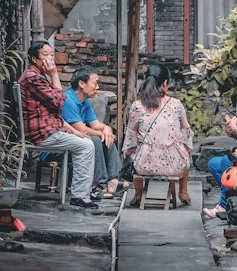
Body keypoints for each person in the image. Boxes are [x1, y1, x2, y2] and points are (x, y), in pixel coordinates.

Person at [18, 39, 98, 212]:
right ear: (34, 59)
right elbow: (58, 103)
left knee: (84, 140)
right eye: (45, 55)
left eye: (52, 55)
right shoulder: (33, 78)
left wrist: (73, 131)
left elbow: (54, 114)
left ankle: (82, 194)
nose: (50, 59)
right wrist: (55, 75)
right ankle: (80, 196)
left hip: (50, 128)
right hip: (41, 134)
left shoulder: (39, 76)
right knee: (87, 146)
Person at [123, 63, 193, 207]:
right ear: (165, 83)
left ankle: (138, 193)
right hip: (175, 166)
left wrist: (129, 152)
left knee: (134, 152)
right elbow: (186, 131)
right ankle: (183, 192)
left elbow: (131, 136)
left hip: (144, 165)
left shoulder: (137, 105)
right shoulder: (176, 104)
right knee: (184, 151)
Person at [62, 65, 124, 199]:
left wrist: (106, 129)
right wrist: (102, 133)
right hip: (64, 141)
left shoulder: (85, 102)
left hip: (79, 139)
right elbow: (80, 129)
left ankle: (113, 180)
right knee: (96, 139)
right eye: (95, 83)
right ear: (82, 84)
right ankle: (94, 185)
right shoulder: (68, 100)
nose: (97, 87)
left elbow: (95, 124)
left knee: (108, 136)